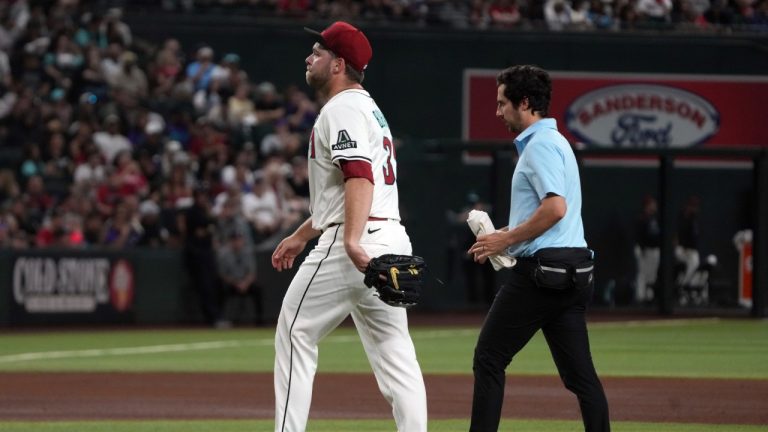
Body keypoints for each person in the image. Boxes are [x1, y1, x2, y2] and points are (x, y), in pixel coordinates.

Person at [270, 21, 427, 432]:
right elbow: (346, 189)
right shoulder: (370, 109)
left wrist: (353, 242)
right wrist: (301, 235)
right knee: (397, 354)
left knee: (294, 334)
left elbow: (359, 176)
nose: (309, 57)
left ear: (338, 64)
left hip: (354, 241)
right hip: (391, 234)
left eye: (318, 52)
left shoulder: (340, 108)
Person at [467, 65, 610, 432]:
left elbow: (555, 208)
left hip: (542, 275)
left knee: (488, 358)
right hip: (575, 272)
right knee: (581, 378)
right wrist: (502, 234)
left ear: (525, 103)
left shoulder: (540, 145)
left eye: (502, 104)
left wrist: (506, 240)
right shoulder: (558, 141)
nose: (497, 112)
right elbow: (549, 215)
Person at [634, 194, 660, 303]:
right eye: (652, 204)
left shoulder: (654, 218)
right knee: (642, 273)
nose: (654, 206)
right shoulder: (642, 218)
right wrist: (641, 248)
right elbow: (638, 235)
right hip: (644, 249)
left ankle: (649, 297)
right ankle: (640, 297)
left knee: (651, 275)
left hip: (654, 249)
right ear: (647, 205)